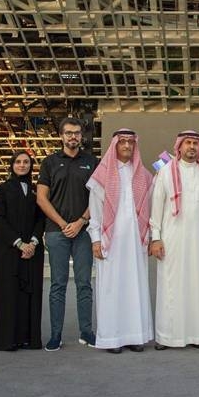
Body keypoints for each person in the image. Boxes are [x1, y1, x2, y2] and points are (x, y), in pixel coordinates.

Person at [149, 130, 199, 349]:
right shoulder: (166, 172)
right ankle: (167, 336)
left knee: (198, 286)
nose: (191, 147)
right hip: (171, 240)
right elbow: (157, 208)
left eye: (195, 144)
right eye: (187, 143)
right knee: (170, 286)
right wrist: (156, 238)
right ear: (179, 147)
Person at [87, 129, 154, 354]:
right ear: (114, 144)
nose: (127, 145)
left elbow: (149, 210)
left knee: (135, 287)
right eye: (122, 142)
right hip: (110, 242)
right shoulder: (102, 174)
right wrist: (96, 239)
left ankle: (135, 336)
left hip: (135, 243)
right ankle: (111, 338)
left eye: (130, 142)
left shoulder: (144, 175)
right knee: (111, 289)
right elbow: (95, 211)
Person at [37, 118, 98, 351]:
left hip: (83, 232)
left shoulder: (92, 162)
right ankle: (55, 335)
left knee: (84, 284)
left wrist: (81, 221)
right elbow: (42, 198)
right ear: (61, 136)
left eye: (77, 133)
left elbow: (98, 197)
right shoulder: (50, 163)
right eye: (68, 133)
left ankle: (86, 332)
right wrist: (64, 224)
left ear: (82, 136)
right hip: (56, 232)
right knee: (58, 285)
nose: (73, 137)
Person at [0, 151, 45, 351]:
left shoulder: (35, 191)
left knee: (29, 294)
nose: (22, 165)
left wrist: (32, 242)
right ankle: (7, 339)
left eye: (26, 162)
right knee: (8, 294)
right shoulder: (2, 189)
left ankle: (29, 338)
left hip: (32, 249)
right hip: (8, 249)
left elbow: (41, 218)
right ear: (12, 165)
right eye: (18, 162)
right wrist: (18, 243)